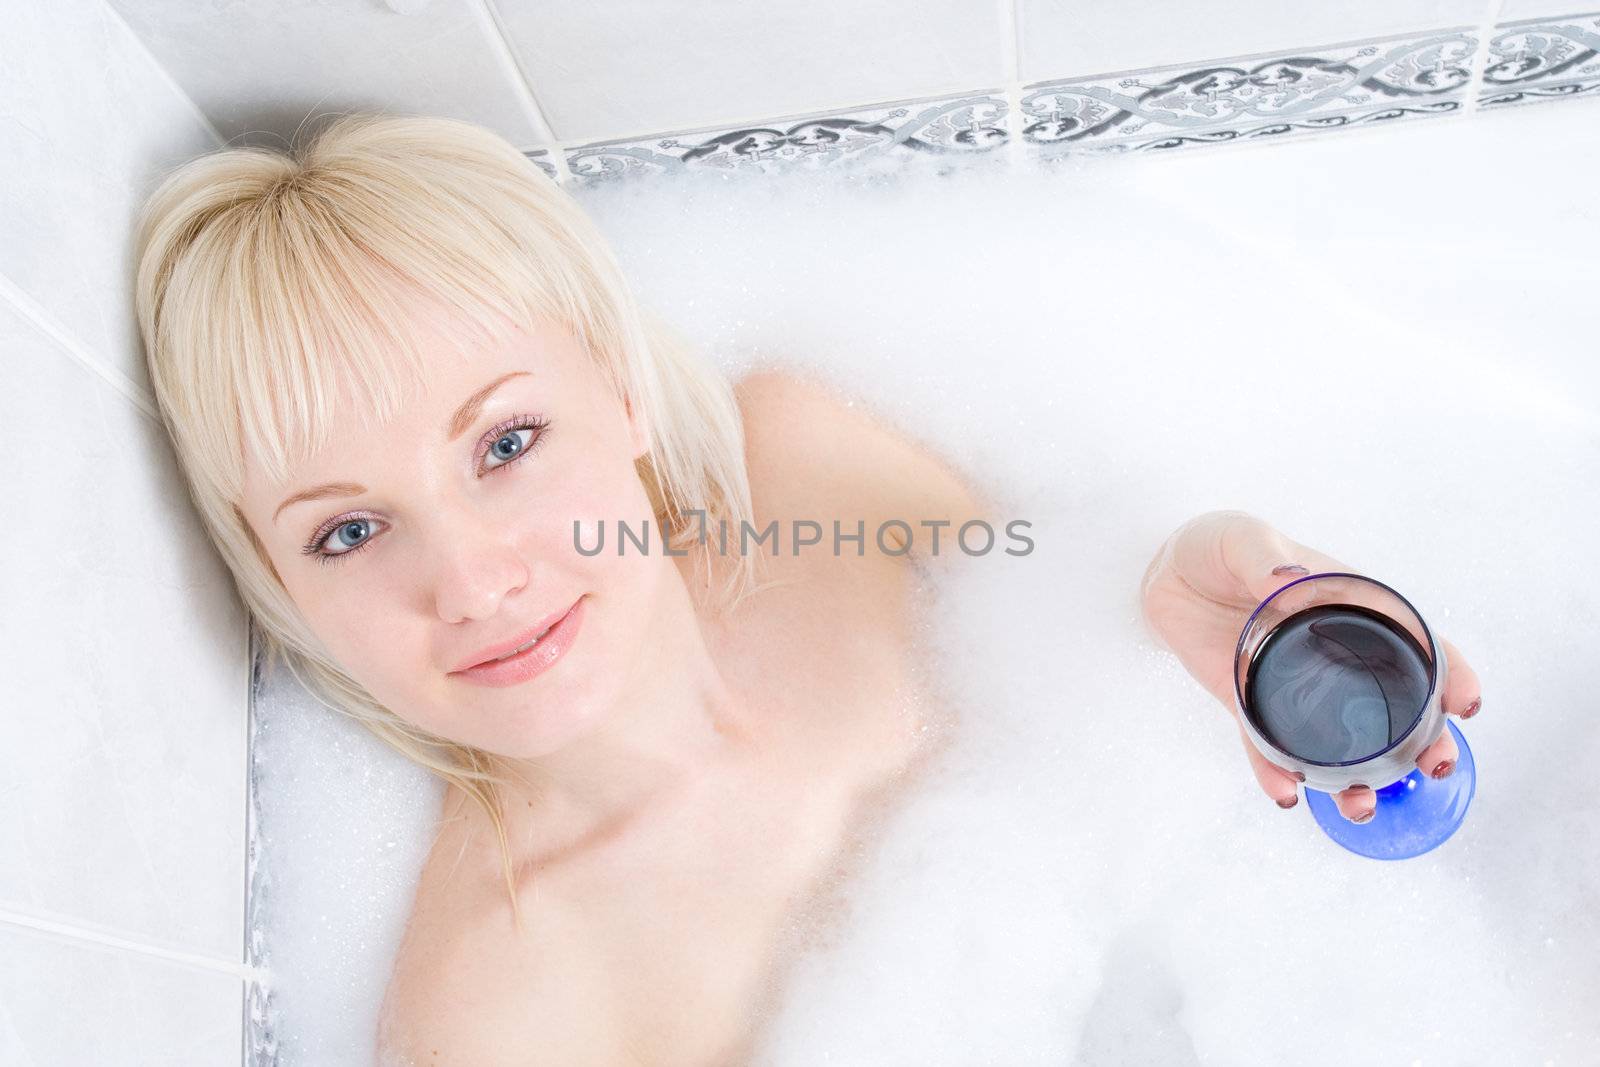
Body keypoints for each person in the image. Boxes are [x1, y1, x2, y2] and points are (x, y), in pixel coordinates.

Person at [132, 112, 1482, 1065]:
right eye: (350, 534)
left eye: (505, 444)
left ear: (621, 392)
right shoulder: (506, 1019)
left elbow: (1063, 568)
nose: (473, 582)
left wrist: (1178, 582)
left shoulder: (816, 469)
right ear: (278, 589)